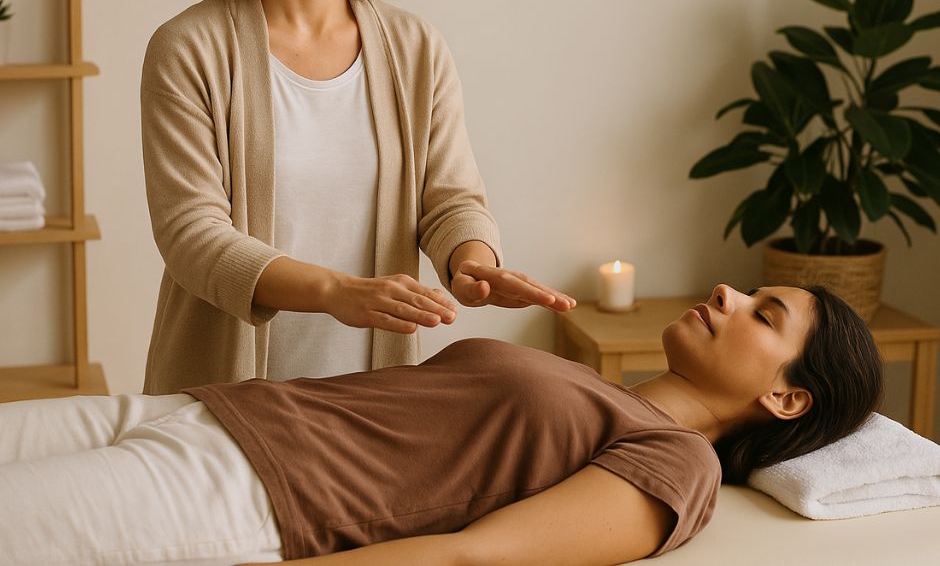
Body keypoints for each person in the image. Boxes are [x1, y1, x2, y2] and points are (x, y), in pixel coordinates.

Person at [140, 0, 575, 394]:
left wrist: (473, 263)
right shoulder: (189, 49)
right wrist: (333, 292)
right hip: (224, 395)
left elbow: (450, 200)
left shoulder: (415, 48)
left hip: (371, 401)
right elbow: (192, 236)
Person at [0, 284, 882, 565]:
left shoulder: (679, 463)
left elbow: (473, 555)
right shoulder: (596, 387)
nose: (727, 292)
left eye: (763, 314)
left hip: (244, 493)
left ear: (787, 399)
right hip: (203, 411)